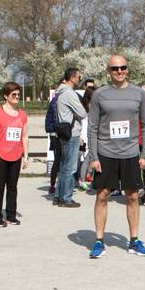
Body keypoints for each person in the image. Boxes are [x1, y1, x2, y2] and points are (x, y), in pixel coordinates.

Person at [87, 54, 145, 258]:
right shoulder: (99, 94)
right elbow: (93, 127)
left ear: (127, 69)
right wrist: (93, 156)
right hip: (106, 153)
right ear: (108, 71)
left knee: (132, 197)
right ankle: (98, 241)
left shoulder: (138, 93)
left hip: (131, 153)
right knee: (102, 195)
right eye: (115, 68)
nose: (120, 71)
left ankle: (134, 240)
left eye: (123, 67)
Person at [0, 82, 29, 226]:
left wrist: (26, 155)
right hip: (0, 155)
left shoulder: (22, 115)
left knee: (13, 186)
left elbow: (24, 136)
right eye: (14, 94)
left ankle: (11, 215)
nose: (17, 97)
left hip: (16, 155)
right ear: (6, 96)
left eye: (18, 94)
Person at [54, 68, 87, 208]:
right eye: (79, 77)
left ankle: (59, 196)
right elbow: (82, 113)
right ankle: (66, 198)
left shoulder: (60, 92)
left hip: (64, 132)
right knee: (70, 167)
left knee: (63, 166)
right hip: (72, 133)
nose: (80, 80)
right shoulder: (69, 93)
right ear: (72, 78)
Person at [45, 78, 63, 197]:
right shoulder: (55, 102)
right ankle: (53, 184)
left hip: (60, 133)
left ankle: (60, 184)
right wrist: (53, 130)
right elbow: (50, 119)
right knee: (58, 160)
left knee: (61, 160)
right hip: (57, 134)